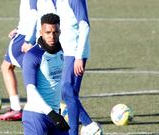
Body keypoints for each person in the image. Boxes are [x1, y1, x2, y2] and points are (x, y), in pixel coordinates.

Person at [56, 0, 103, 134]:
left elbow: (84, 25)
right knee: (68, 93)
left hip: (74, 52)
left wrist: (79, 56)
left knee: (67, 90)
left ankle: (85, 126)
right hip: (64, 51)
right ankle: (86, 126)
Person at [22, 13, 70, 135]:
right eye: (48, 32)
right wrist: (52, 114)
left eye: (55, 32)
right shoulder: (32, 55)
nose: (52, 36)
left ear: (60, 32)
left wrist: (57, 112)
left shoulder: (60, 50)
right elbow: (31, 90)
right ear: (41, 32)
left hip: (55, 115)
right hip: (36, 116)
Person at [0, 0, 36, 121]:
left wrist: (28, 38)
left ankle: (20, 109)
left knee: (33, 73)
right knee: (7, 66)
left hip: (26, 36)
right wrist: (19, 27)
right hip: (29, 32)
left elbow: (35, 13)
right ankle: (18, 108)